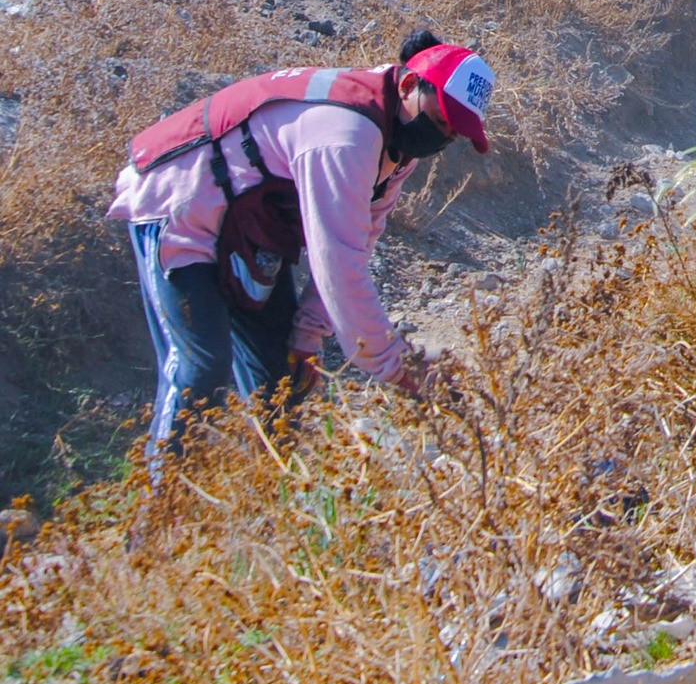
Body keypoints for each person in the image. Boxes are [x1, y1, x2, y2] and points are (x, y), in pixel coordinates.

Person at [111, 30, 495, 457]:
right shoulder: (346, 134)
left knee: (280, 375)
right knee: (201, 367)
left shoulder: (397, 140)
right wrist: (399, 366)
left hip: (250, 222)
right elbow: (339, 266)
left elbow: (361, 234)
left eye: (455, 132)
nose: (442, 137)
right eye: (442, 120)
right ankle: (161, 511)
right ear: (408, 86)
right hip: (179, 202)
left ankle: (264, 497)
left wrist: (308, 333)